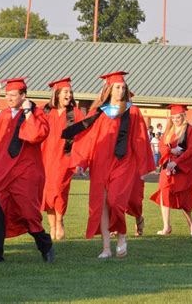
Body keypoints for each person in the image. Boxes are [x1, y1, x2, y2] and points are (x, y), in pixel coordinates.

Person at [62, 71, 155, 258]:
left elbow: (140, 140)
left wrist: (144, 167)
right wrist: (81, 162)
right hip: (100, 163)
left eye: (123, 87)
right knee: (102, 204)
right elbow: (89, 139)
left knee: (116, 201)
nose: (121, 91)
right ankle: (105, 248)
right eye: (117, 87)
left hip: (124, 162)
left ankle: (121, 237)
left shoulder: (132, 111)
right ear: (109, 89)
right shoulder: (100, 113)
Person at [0, 77, 54, 263]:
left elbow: (36, 136)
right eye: (7, 95)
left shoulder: (36, 114)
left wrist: (28, 111)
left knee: (29, 213)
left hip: (26, 172)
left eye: (13, 95)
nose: (9, 98)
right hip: (2, 171)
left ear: (24, 96)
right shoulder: (3, 115)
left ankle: (45, 245)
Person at [41, 77, 84, 240]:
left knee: (59, 191)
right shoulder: (45, 112)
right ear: (57, 94)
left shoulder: (76, 114)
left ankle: (60, 222)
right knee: (47, 194)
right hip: (45, 159)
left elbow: (84, 137)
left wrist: (79, 160)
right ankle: (52, 227)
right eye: (65, 92)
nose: (69, 94)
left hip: (65, 159)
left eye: (70, 92)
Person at [150, 104, 192, 236]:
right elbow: (161, 146)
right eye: (173, 117)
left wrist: (177, 162)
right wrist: (170, 151)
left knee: (183, 197)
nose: (176, 119)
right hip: (168, 167)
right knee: (164, 192)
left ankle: (191, 224)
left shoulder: (189, 131)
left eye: (178, 117)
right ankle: (166, 226)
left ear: (183, 116)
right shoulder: (169, 130)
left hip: (183, 169)